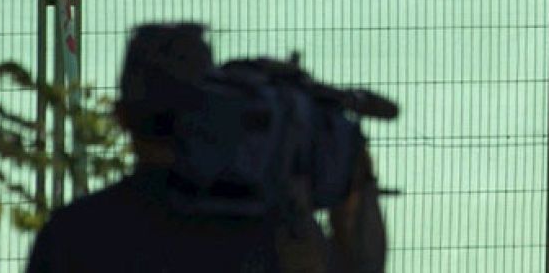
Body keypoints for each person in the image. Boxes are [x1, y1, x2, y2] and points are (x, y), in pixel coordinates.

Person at [26, 23, 383, 273]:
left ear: (120, 116)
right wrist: (354, 176)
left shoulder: (74, 235)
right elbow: (363, 262)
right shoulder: (271, 236)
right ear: (215, 109)